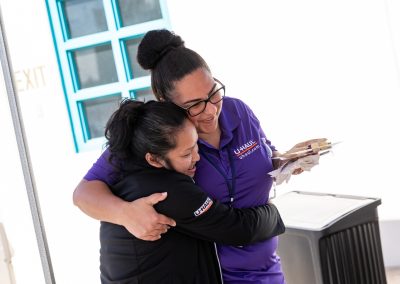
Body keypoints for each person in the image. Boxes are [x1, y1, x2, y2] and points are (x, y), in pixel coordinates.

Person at [73, 29, 322, 283]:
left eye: (213, 93)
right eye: (194, 105)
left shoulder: (239, 112)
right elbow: (83, 193)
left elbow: (263, 155)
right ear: (165, 102)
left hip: (266, 270)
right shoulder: (155, 140)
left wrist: (287, 160)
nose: (211, 111)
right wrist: (125, 214)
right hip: (214, 275)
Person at [99, 98, 285, 283]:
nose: (197, 157)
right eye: (186, 154)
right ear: (154, 159)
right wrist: (272, 212)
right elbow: (238, 229)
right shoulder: (166, 192)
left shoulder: (129, 178)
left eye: (196, 145)